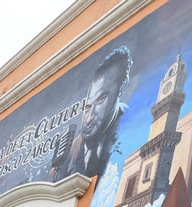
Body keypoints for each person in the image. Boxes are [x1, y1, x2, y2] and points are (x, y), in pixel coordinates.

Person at [50, 46, 132, 179]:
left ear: (120, 89)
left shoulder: (129, 127)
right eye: (87, 108)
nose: (88, 119)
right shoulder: (71, 151)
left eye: (101, 100)